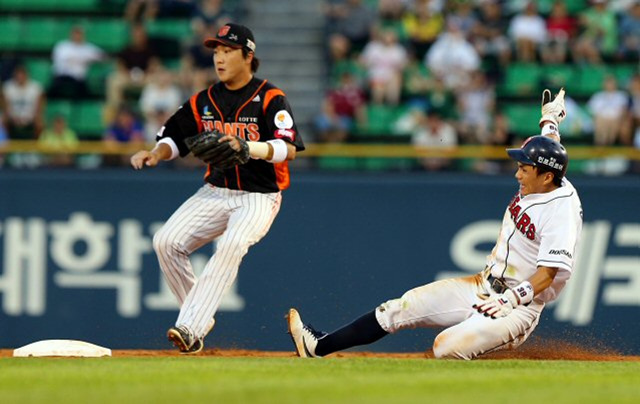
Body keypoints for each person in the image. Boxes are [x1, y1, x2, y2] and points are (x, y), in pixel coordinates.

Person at [287, 89, 584, 360]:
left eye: (524, 169)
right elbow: (549, 146)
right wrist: (550, 118)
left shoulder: (561, 211)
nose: (518, 174)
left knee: (446, 347)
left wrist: (511, 299)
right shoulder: (544, 177)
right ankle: (318, 347)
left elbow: (549, 272)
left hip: (517, 307)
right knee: (400, 307)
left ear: (546, 176)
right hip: (482, 284)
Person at [130, 23, 305, 354]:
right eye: (216, 51)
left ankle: (190, 325)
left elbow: (289, 148)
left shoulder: (270, 97)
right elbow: (174, 138)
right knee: (166, 241)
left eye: (228, 50)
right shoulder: (204, 99)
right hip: (216, 190)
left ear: (248, 56)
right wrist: (156, 154)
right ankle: (196, 319)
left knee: (232, 244)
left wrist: (249, 147)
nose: (219, 58)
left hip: (259, 196)